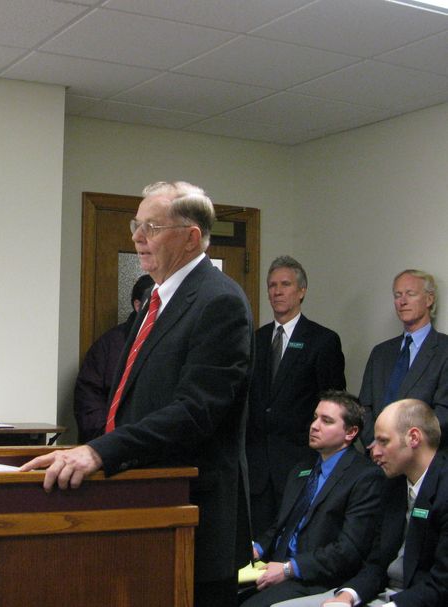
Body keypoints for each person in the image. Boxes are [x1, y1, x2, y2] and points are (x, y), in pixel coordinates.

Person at [21, 180, 253, 607]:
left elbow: (194, 412)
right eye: (136, 224)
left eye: (152, 226)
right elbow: (129, 395)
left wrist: (98, 453)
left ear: (191, 237)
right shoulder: (154, 297)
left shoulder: (220, 302)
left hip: (189, 523)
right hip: (141, 510)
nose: (136, 237)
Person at [273, 399, 448, 607]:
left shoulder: (443, 488)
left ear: (413, 438)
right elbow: (376, 564)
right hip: (380, 593)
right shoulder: (394, 486)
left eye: (383, 441)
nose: (374, 451)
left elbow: (442, 585)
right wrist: (346, 597)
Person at [241, 391, 384, 607]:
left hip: (315, 577)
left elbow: (348, 551)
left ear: (351, 432)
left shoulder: (364, 477)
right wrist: (256, 548)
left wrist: (289, 568)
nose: (314, 426)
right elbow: (281, 525)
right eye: (315, 417)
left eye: (326, 421)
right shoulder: (302, 468)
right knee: (216, 592)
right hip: (275, 566)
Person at [248, 255, 346, 536]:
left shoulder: (322, 340)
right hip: (257, 467)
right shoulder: (256, 339)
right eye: (272, 285)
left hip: (299, 463)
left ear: (301, 291)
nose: (277, 292)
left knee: (293, 542)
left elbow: (334, 403)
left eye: (285, 284)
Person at [359, 270, 448, 448]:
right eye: (398, 295)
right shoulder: (380, 352)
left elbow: (443, 412)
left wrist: (402, 446)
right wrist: (376, 443)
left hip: (423, 459)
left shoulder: (444, 349)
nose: (402, 301)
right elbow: (364, 407)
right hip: (377, 458)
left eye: (410, 294)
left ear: (429, 300)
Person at [74, 273, 154, 442]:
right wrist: (107, 437)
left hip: (162, 444)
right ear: (138, 305)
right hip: (112, 441)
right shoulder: (109, 345)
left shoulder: (176, 340)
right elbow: (88, 396)